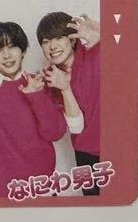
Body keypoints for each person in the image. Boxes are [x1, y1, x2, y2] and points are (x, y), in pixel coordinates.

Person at [0, 21, 68, 198]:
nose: (6, 55)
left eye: (12, 47)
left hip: (43, 188)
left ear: (23, 50)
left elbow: (55, 133)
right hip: (1, 195)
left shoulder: (39, 82)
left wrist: (37, 96)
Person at [38, 12, 101, 194]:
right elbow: (77, 128)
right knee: (93, 205)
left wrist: (104, 34)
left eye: (58, 38)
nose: (52, 46)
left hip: (118, 148)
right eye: (46, 41)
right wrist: (64, 88)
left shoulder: (97, 54)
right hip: (85, 155)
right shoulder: (51, 79)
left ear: (72, 40)